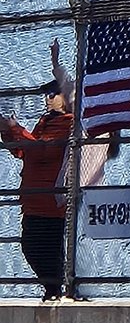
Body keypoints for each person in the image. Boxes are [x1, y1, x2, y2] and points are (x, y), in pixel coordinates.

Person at [0, 40, 74, 299]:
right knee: (31, 246)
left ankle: (55, 289)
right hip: (34, 202)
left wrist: (15, 129)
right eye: (47, 94)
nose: (48, 98)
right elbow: (24, 151)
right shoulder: (46, 122)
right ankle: (52, 289)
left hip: (50, 203)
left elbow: (43, 150)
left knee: (43, 248)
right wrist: (8, 130)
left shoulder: (68, 124)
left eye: (53, 94)